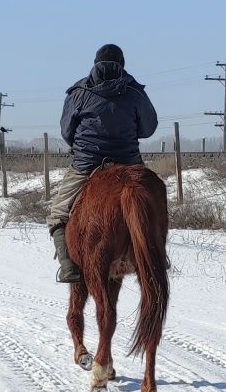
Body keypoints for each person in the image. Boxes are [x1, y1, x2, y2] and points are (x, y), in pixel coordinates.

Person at [48, 43, 158, 283]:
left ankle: (68, 267)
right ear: (123, 65)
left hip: (87, 162)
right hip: (128, 161)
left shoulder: (78, 91)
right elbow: (149, 128)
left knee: (58, 212)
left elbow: (67, 131)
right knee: (151, 204)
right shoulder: (135, 91)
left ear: (94, 63)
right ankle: (157, 255)